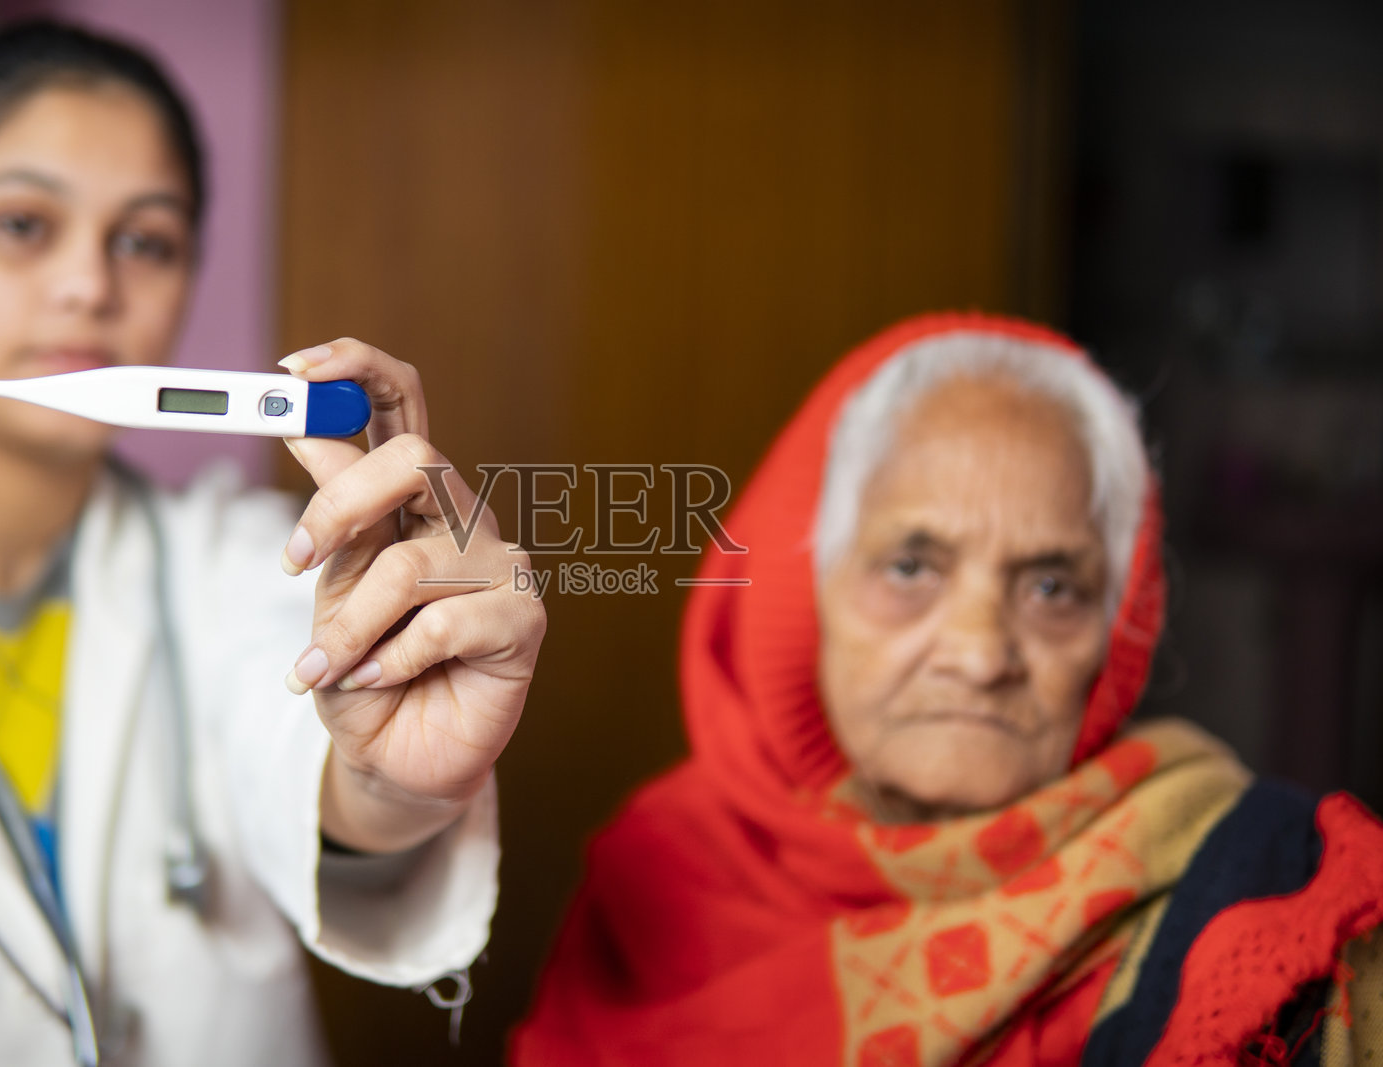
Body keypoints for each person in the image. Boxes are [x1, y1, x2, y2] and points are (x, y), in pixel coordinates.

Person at [0, 20, 544, 1067]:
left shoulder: (253, 563)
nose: (90, 286)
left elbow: (313, 755)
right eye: (21, 223)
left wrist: (396, 781)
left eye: (145, 240)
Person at [511, 312, 1383, 1066]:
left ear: (1114, 634)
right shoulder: (662, 873)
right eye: (911, 566)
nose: (977, 653)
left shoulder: (1259, 896)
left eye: (1051, 588)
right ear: (802, 591)